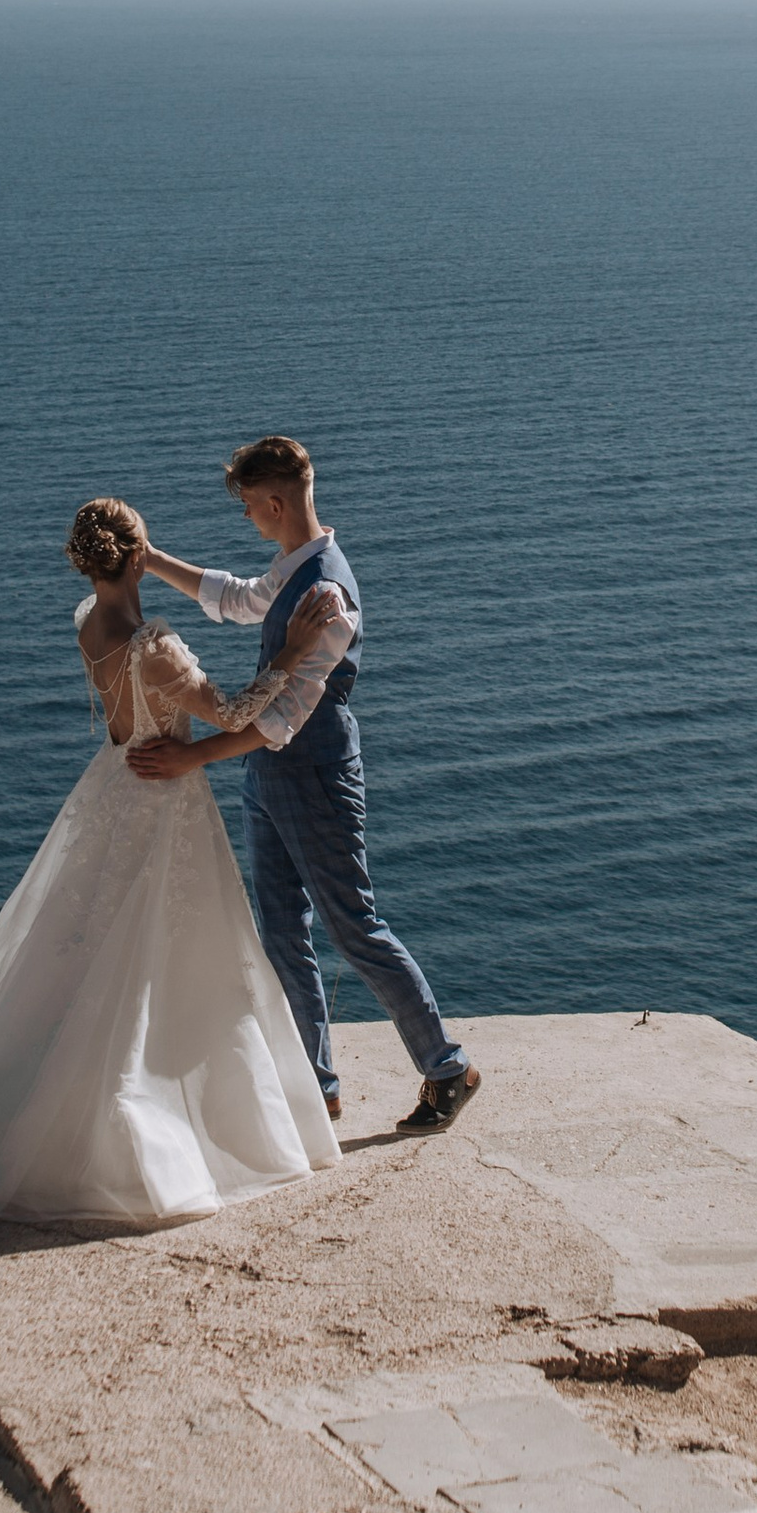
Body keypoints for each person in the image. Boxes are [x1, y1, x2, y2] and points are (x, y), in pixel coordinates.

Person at [0, 497, 347, 1227]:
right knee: (162, 961)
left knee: (83, 950)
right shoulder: (155, 646)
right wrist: (294, 652)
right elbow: (234, 715)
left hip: (112, 785)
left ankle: (50, 1100)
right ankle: (147, 1117)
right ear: (138, 556)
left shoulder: (88, 621)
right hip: (165, 794)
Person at [130, 435, 479, 1133]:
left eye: (251, 508)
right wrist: (152, 561)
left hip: (311, 770)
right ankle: (316, 1089)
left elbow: (283, 719)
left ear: (276, 501)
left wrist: (192, 759)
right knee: (284, 933)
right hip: (269, 772)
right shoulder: (297, 566)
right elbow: (241, 599)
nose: (248, 520)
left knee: (355, 928)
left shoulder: (326, 591)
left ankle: (447, 1069)